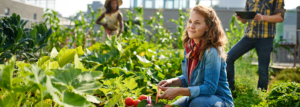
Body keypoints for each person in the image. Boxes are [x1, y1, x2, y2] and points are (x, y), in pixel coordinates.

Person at [157, 5, 234, 107]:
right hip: (197, 97)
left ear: (208, 27)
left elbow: (210, 88)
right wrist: (171, 82)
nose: (191, 26)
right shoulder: (190, 48)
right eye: (190, 22)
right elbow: (190, 77)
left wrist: (178, 91)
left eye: (197, 23)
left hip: (220, 100)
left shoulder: (212, 51)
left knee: (196, 103)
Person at [226, 0, 285, 91]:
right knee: (228, 58)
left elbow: (280, 17)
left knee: (263, 70)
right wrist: (241, 18)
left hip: (265, 38)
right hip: (249, 36)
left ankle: (260, 95)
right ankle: (230, 90)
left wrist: (263, 17)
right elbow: (245, 21)